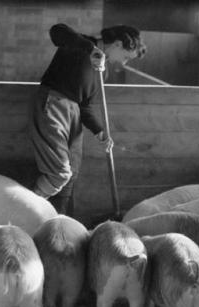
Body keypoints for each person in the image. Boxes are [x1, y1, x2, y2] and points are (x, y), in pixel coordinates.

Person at [31, 23, 146, 215]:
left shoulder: (102, 70)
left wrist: (101, 133)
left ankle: (60, 219)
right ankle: (28, 205)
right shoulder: (81, 44)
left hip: (73, 112)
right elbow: (57, 30)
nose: (123, 63)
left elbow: (86, 106)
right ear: (117, 44)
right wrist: (91, 49)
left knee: (72, 172)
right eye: (126, 57)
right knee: (60, 173)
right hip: (53, 103)